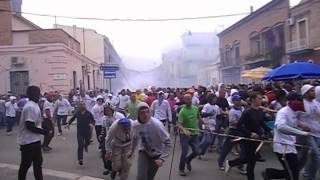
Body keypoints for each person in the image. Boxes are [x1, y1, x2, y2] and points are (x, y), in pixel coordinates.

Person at [262, 92, 310, 180]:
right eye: (298, 100)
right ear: (291, 101)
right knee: (293, 173)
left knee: (293, 170)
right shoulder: (283, 112)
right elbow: (281, 127)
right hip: (282, 147)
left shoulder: (294, 112)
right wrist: (301, 133)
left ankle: (270, 173)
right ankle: (269, 173)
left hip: (290, 145)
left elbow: (293, 122)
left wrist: (302, 125)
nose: (301, 103)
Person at [225, 91, 269, 180]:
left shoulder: (260, 111)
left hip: (257, 139)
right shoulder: (247, 112)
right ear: (253, 100)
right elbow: (239, 125)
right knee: (251, 161)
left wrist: (270, 131)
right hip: (247, 138)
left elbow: (261, 123)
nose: (261, 100)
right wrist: (250, 133)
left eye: (261, 98)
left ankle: (230, 163)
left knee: (248, 159)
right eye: (259, 98)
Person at [18, 86, 51, 180]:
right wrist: (45, 132)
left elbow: (38, 121)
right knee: (26, 165)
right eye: (38, 93)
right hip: (28, 141)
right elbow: (30, 125)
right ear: (34, 95)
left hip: (35, 140)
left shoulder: (34, 105)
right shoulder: (30, 107)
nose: (39, 96)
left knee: (38, 163)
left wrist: (46, 128)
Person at [132, 102, 172, 180]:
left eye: (147, 112)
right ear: (138, 114)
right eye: (142, 113)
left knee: (149, 177)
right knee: (141, 177)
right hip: (144, 152)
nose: (146, 115)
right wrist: (131, 151)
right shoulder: (135, 125)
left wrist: (162, 159)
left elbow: (168, 143)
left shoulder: (157, 125)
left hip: (157, 154)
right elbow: (135, 138)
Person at [297, 84, 320, 180]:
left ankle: (290, 172)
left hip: (317, 133)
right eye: (311, 91)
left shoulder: (316, 103)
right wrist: (302, 125)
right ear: (305, 93)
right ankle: (311, 178)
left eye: (314, 90)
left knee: (303, 157)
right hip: (305, 134)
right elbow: (293, 118)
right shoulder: (300, 104)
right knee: (315, 156)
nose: (314, 92)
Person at [218, 94, 245, 172]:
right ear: (233, 101)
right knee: (227, 148)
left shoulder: (242, 109)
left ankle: (240, 165)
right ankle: (220, 162)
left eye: (240, 100)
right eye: (237, 100)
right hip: (233, 131)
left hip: (241, 131)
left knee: (243, 149)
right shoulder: (232, 111)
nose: (239, 101)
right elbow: (232, 123)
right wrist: (242, 122)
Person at [177, 94, 201, 176]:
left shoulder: (195, 108)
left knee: (197, 151)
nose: (189, 101)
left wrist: (205, 125)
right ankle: (181, 169)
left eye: (190, 99)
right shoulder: (182, 111)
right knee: (184, 152)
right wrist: (184, 130)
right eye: (187, 99)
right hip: (184, 135)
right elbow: (179, 124)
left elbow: (198, 117)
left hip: (194, 134)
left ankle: (188, 160)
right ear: (184, 100)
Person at [65, 100, 94, 166]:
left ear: (85, 105)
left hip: (87, 131)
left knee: (87, 142)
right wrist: (68, 124)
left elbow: (93, 120)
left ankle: (86, 146)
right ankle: (80, 159)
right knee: (80, 145)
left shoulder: (88, 113)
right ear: (79, 106)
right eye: (80, 104)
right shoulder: (77, 112)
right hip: (80, 132)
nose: (82, 106)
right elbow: (72, 118)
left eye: (83, 104)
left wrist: (91, 124)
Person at [100, 103, 125, 176]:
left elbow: (126, 126)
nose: (107, 112)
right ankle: (109, 168)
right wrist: (101, 134)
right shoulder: (104, 118)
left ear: (112, 109)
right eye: (106, 110)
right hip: (109, 138)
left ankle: (119, 169)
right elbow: (103, 127)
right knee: (105, 153)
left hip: (119, 138)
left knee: (118, 155)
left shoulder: (119, 116)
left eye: (108, 110)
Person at [199, 93, 220, 159]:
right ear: (210, 98)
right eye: (214, 98)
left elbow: (218, 116)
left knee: (208, 141)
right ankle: (198, 150)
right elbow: (202, 114)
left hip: (213, 125)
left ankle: (200, 152)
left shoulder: (217, 107)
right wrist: (209, 114)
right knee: (207, 140)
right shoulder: (206, 106)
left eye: (216, 98)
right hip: (206, 124)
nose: (216, 99)